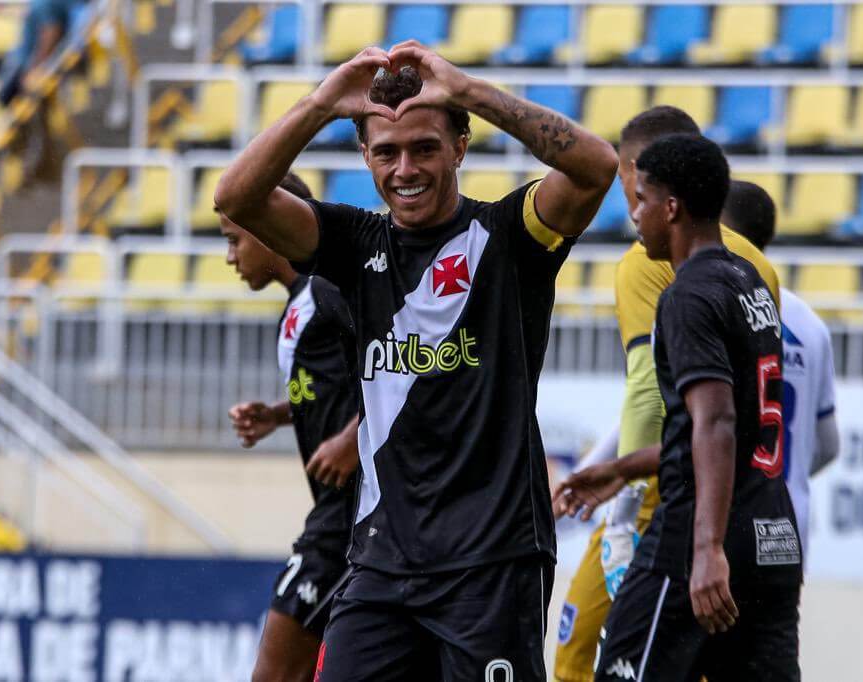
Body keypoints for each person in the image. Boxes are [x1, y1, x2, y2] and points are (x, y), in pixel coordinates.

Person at [215, 42, 618, 679]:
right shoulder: (353, 244)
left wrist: (469, 93)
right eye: (387, 152)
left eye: (425, 147)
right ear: (365, 157)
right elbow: (235, 199)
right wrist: (321, 103)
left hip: (493, 564)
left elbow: (597, 166)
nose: (406, 169)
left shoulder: (511, 236)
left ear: (459, 146)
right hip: (381, 567)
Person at [557, 134, 802, 681]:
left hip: (698, 536)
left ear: (671, 208)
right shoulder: (749, 282)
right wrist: (622, 469)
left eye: (640, 199)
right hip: (772, 532)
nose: (634, 215)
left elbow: (716, 420)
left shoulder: (687, 293)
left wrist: (707, 548)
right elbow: (717, 425)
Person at [223, 172, 360, 682]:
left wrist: (352, 436)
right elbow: (339, 383)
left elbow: (398, 369)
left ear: (268, 227)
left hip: (347, 521)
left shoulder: (327, 290)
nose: (230, 257)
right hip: (336, 514)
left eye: (234, 240)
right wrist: (280, 414)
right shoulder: (300, 302)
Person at [723, 179, 839, 557]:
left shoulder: (710, 306)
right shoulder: (810, 325)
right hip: (790, 520)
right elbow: (827, 445)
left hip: (727, 517)